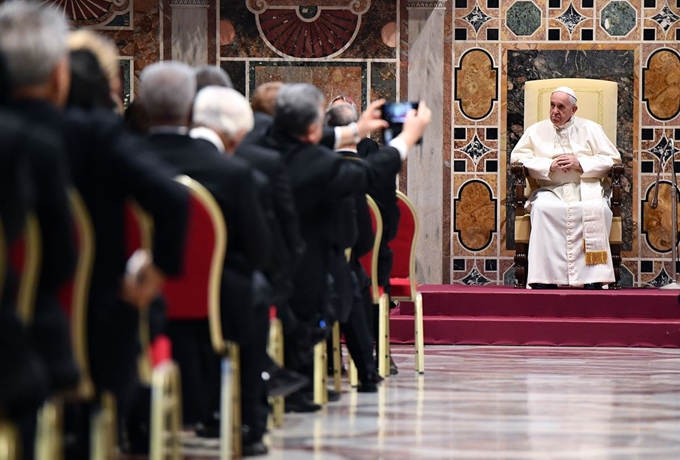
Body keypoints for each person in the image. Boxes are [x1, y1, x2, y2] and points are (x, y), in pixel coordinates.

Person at [510, 86, 621, 290]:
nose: (555, 111)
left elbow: (613, 160)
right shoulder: (536, 130)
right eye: (552, 105)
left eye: (561, 107)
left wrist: (581, 164)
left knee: (601, 210)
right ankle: (544, 279)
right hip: (550, 190)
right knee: (543, 209)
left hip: (585, 189)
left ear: (574, 109)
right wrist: (547, 166)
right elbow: (517, 159)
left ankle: (593, 279)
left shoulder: (592, 128)